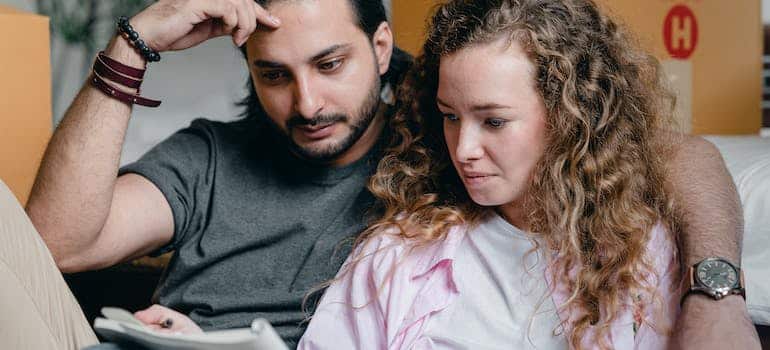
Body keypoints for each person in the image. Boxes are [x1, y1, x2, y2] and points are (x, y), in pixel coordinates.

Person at [0, 0, 755, 348]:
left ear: (382, 46)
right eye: (274, 75)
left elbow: (672, 153)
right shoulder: (210, 156)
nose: (307, 103)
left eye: (330, 64)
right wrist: (132, 45)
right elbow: (52, 247)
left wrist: (715, 291)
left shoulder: (434, 133)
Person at [297, 0, 759, 349]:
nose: (464, 149)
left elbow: (692, 155)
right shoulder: (397, 255)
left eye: (494, 121)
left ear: (569, 116)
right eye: (450, 116)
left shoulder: (646, 253)